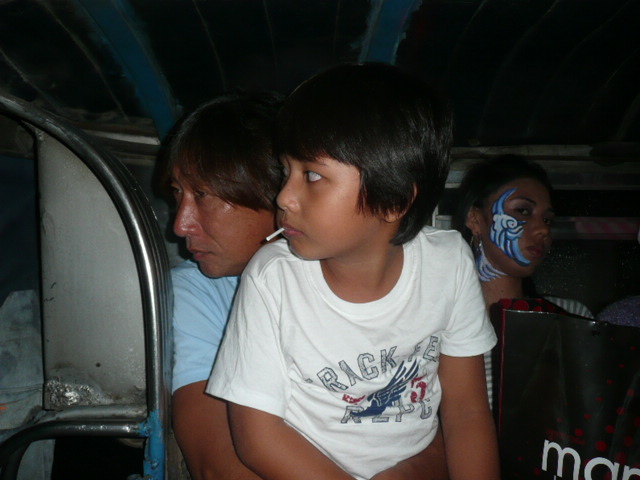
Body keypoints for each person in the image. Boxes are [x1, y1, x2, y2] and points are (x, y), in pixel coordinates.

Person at [207, 64, 499, 480]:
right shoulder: (273, 278)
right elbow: (258, 438)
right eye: (286, 171)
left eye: (312, 175)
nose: (284, 197)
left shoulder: (448, 263)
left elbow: (467, 411)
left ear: (393, 200)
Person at [165, 90, 449, 479]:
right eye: (177, 194)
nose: (180, 225)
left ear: (274, 192)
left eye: (202, 195)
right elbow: (219, 466)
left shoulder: (383, 276)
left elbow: (439, 425)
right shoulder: (197, 293)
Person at [453, 154, 593, 318]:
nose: (543, 230)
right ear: (475, 220)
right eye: (523, 211)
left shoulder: (572, 317)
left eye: (547, 220)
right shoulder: (438, 319)